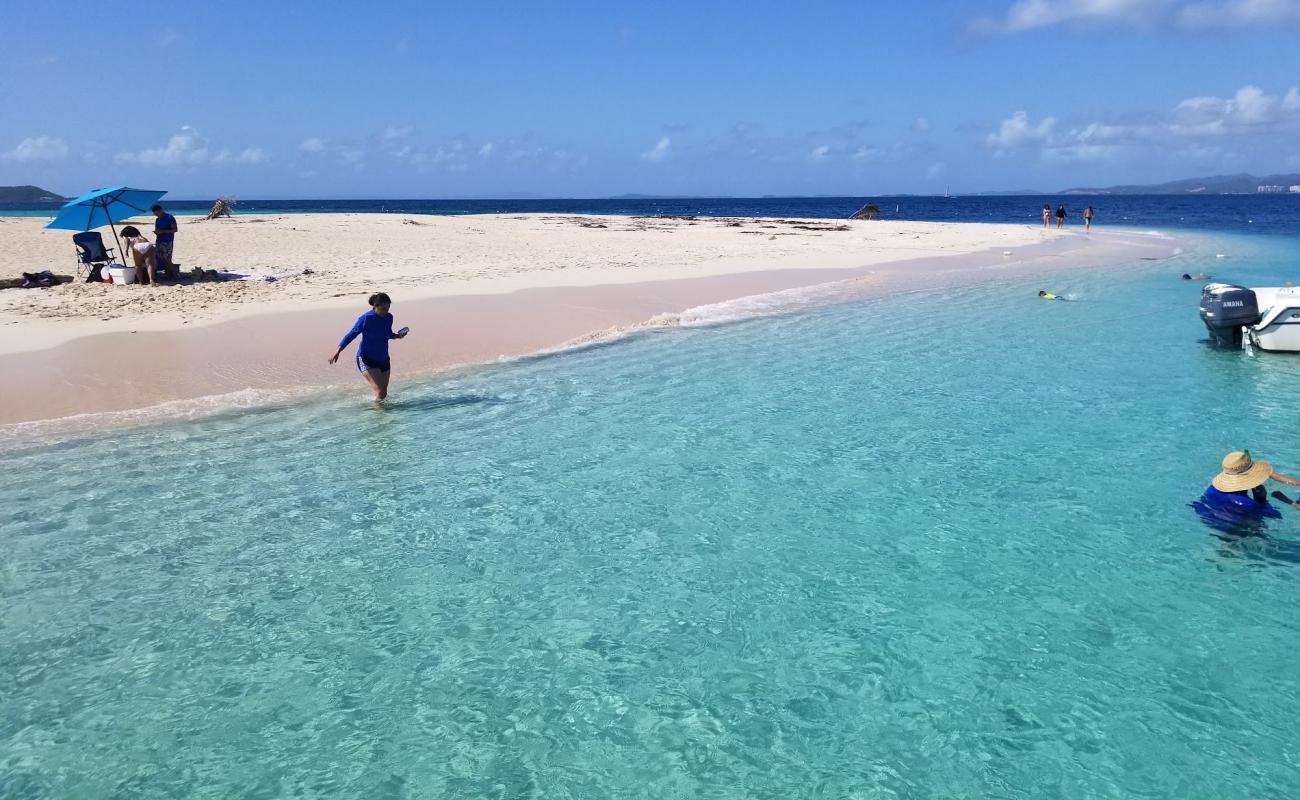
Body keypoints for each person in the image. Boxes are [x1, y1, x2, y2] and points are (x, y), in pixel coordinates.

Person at [328, 292, 408, 401]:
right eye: (383, 309)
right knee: (381, 391)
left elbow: (386, 334)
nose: (386, 311)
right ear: (375, 307)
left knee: (383, 393)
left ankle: (380, 412)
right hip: (366, 359)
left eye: (387, 308)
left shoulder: (389, 317)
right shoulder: (366, 319)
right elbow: (351, 334)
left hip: (384, 359)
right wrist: (338, 351)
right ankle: (378, 416)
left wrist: (398, 336)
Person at [152, 204, 177, 280]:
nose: (156, 215)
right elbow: (157, 229)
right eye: (155, 214)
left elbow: (175, 229)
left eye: (157, 213)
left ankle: (174, 275)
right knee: (160, 258)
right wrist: (157, 232)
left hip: (167, 241)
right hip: (159, 240)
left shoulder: (169, 217)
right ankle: (167, 275)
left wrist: (162, 231)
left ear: (161, 211)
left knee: (167, 259)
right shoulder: (158, 219)